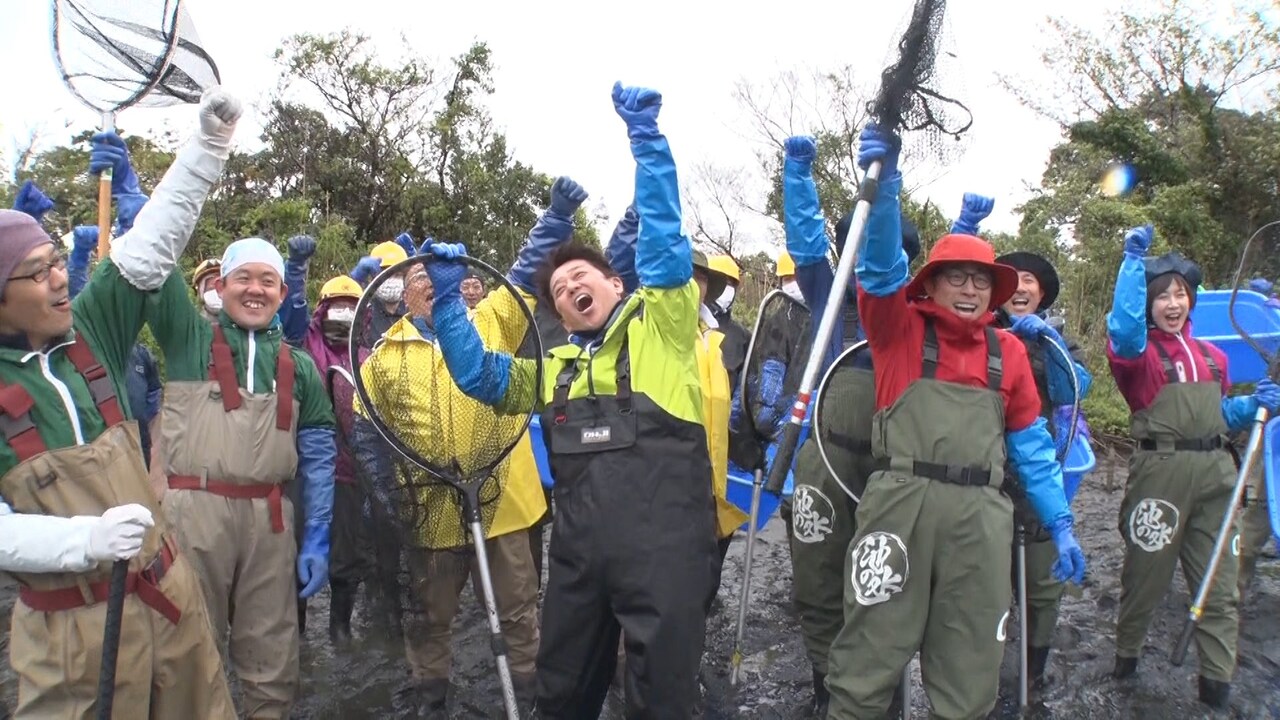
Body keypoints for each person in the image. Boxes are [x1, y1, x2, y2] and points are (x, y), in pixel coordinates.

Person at [426, 82, 715, 718]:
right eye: (558, 290)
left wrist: (647, 142)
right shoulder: (553, 371)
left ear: (617, 283)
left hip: (666, 559)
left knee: (662, 704)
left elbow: (665, 247)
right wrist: (447, 303)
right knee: (560, 697)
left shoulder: (663, 332)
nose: (569, 288)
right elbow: (478, 376)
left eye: (580, 276)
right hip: (580, 564)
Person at [824, 125, 1086, 719]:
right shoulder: (898, 330)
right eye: (957, 278)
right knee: (867, 658)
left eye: (980, 280)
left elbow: (1031, 446)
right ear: (933, 286)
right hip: (899, 506)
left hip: (981, 520)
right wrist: (887, 187)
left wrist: (1061, 522)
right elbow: (880, 268)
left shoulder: (1009, 352)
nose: (969, 290)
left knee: (971, 668)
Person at [0, 87, 242, 719]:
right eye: (37, 272)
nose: (60, 278)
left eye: (56, 261)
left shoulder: (89, 331)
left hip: (169, 597)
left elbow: (148, 248)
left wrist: (208, 147)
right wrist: (84, 540)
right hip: (74, 635)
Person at [153, 232, 337, 718]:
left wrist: (318, 534)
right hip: (194, 515)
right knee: (187, 645)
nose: (255, 290)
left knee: (273, 650)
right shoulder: (188, 339)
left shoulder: (300, 366)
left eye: (267, 281)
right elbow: (155, 264)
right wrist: (138, 207)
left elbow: (319, 458)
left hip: (270, 520)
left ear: (282, 292)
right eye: (243, 278)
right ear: (220, 286)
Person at [1105, 225, 1280, 709]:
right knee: (1145, 578)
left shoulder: (1214, 357)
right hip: (1160, 472)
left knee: (1220, 586)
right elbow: (1123, 330)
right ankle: (1126, 661)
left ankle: (1216, 687)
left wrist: (1254, 406)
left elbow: (1219, 416)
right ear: (1149, 304)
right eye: (1162, 296)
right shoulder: (1137, 357)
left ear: (1192, 301)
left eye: (1180, 294)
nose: (1173, 303)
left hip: (1217, 474)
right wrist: (1131, 266)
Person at [778, 134, 921, 717]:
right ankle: (824, 683)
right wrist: (797, 175)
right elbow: (806, 240)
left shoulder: (917, 315)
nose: (871, 258)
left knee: (883, 581)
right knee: (817, 578)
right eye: (857, 246)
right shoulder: (828, 292)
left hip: (895, 466)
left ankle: (877, 690)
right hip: (824, 456)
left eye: (887, 250)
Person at [990, 238, 1093, 688]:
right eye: (1011, 279)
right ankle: (984, 671)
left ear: (1042, 293)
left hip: (1040, 473)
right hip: (986, 476)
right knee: (984, 585)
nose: (1020, 287)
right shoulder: (981, 334)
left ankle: (1032, 675)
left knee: (1043, 586)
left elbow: (1074, 389)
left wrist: (1048, 342)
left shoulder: (1059, 340)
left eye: (1029, 280)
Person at [351, 239, 411, 347]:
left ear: (404, 277)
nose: (391, 280)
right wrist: (355, 281)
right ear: (373, 278)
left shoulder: (413, 312)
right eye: (385, 275)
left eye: (397, 275)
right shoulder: (365, 313)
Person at [707, 253, 749, 389]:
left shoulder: (742, 336)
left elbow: (746, 382)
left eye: (731, 284)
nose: (726, 288)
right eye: (722, 282)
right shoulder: (689, 324)